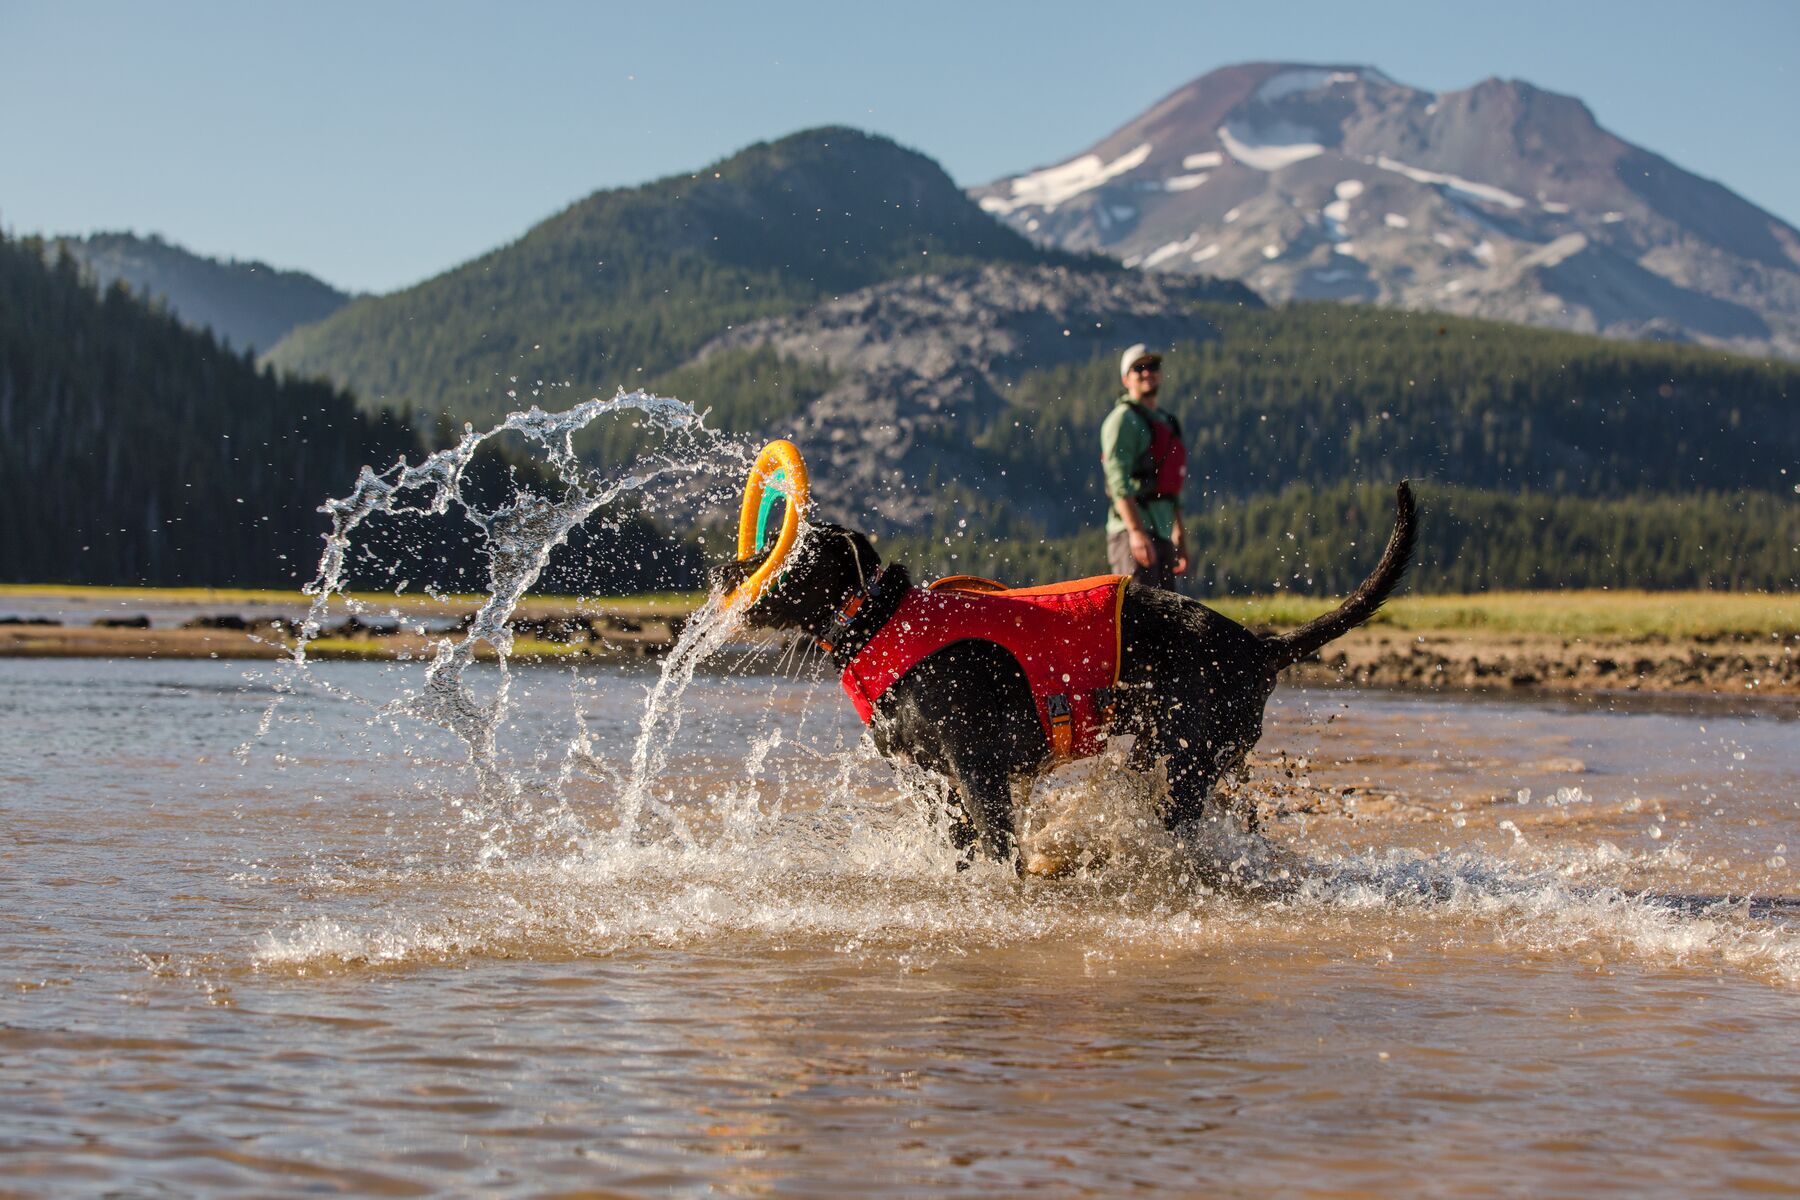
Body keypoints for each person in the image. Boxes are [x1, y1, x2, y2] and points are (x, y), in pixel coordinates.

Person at [1100, 343, 1188, 589]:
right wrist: (1136, 533)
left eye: (1153, 366)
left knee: (1167, 620)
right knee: (1138, 618)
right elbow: (1117, 481)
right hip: (1131, 533)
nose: (1147, 372)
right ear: (1125, 378)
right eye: (1139, 368)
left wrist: (1179, 532)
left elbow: (1172, 485)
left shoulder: (1168, 422)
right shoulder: (1121, 421)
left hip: (1161, 531)